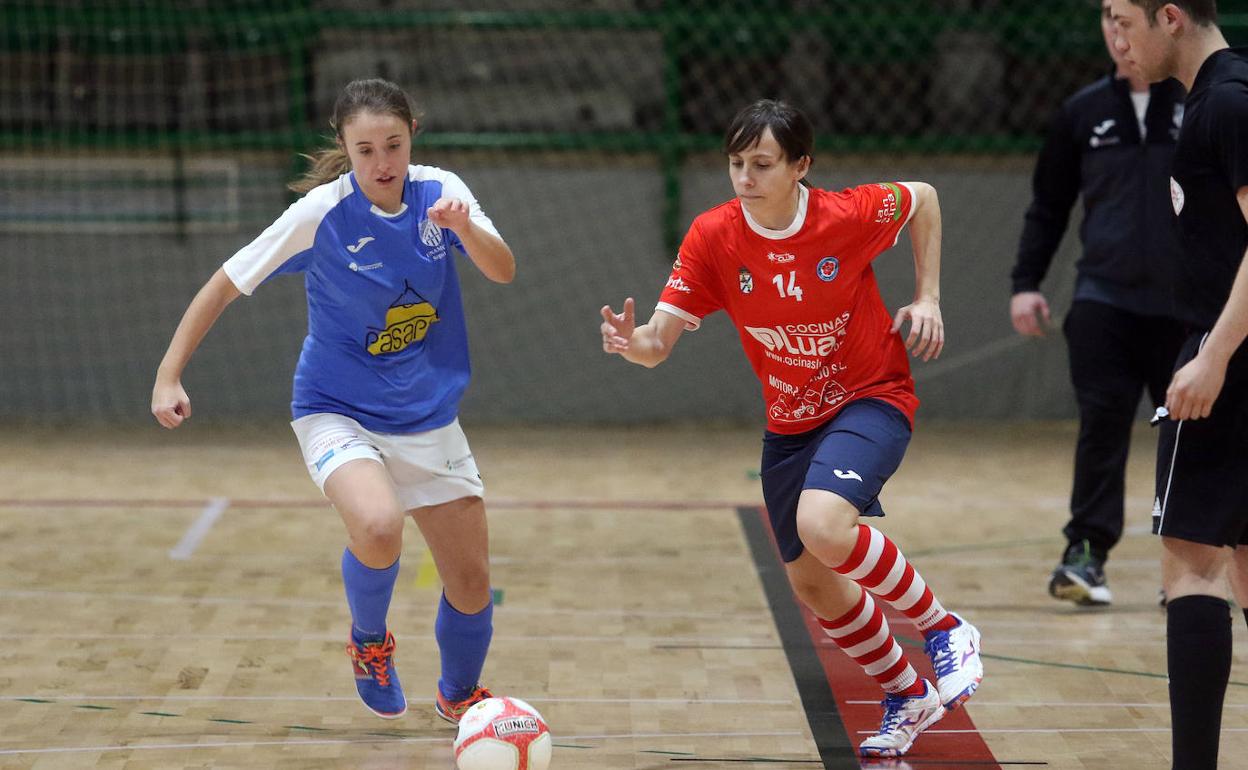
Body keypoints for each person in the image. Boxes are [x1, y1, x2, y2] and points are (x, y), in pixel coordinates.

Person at [599, 99, 984, 759]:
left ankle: (944, 627)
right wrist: (632, 344)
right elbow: (659, 342)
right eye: (735, 163)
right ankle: (905, 692)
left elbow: (922, 197)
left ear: (801, 166)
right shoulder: (714, 236)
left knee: (824, 525)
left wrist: (928, 297)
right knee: (812, 581)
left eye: (762, 163)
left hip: (870, 395)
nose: (744, 177)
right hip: (791, 422)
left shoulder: (845, 215)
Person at [150, 78, 515, 724]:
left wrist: (467, 231)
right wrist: (168, 374)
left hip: (428, 416)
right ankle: (370, 641)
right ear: (345, 149)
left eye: (393, 145)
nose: (382, 163)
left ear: (412, 139)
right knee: (378, 525)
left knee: (472, 579)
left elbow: (503, 270)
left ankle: (458, 695)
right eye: (365, 149)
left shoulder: (442, 194)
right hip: (335, 407)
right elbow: (223, 284)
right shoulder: (320, 214)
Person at [1010, 0, 1187, 607]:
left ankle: (1188, 564)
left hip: (1188, 307)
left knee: (1188, 432)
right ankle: (1086, 553)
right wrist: (1026, 282)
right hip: (1105, 301)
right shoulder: (1082, 113)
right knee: (1102, 427)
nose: (1117, 34)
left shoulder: (1203, 105)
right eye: (1107, 21)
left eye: (1126, 21)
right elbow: (1048, 206)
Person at [1110, 1, 1248, 768]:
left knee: (1191, 561)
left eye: (1125, 20)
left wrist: (1214, 356)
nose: (1118, 39)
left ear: (1170, 16)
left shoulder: (1225, 102)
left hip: (1228, 355)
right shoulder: (1222, 96)